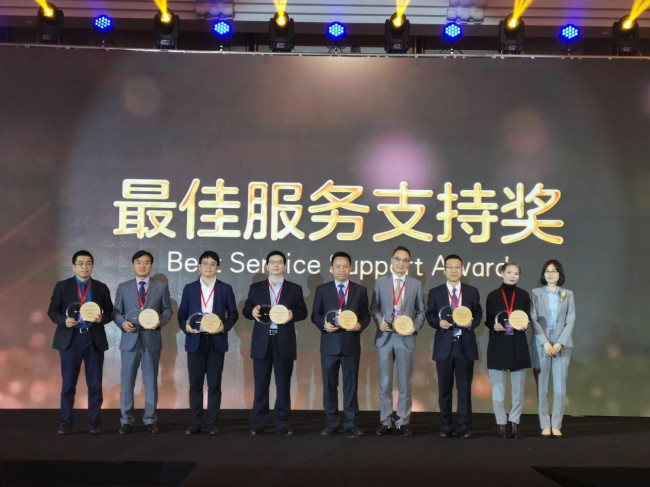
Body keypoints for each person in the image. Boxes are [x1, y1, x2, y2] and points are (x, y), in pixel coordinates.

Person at [47, 250, 114, 435]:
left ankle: (95, 422)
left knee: (95, 384)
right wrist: (64, 321)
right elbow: (52, 311)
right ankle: (65, 422)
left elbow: (110, 312)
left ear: (92, 266)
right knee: (68, 384)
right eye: (81, 263)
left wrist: (102, 318)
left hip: (93, 339)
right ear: (73, 266)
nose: (85, 267)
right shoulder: (62, 286)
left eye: (88, 263)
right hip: (71, 340)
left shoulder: (100, 287)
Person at [242, 250, 308, 436]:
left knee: (283, 385)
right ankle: (258, 424)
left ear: (285, 266)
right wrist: (252, 312)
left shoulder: (294, 289)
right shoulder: (256, 288)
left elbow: (303, 312)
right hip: (261, 342)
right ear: (267, 266)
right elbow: (246, 309)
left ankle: (283, 424)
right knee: (261, 385)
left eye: (280, 262)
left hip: (284, 340)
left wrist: (292, 315)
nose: (276, 265)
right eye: (273, 262)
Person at [178, 251, 238, 435]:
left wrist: (223, 326)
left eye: (213, 264)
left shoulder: (225, 288)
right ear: (199, 266)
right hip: (195, 340)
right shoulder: (189, 288)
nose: (209, 267)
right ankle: (196, 423)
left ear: (217, 267)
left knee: (214, 384)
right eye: (205, 263)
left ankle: (212, 422)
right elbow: (181, 314)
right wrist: (185, 326)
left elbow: (233, 314)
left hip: (216, 341)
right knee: (195, 385)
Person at [112, 250, 173, 434]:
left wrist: (159, 321)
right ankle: (126, 420)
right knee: (127, 382)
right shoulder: (123, 287)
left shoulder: (161, 287)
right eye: (138, 262)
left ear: (151, 265)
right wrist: (123, 323)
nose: (142, 265)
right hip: (129, 340)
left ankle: (150, 419)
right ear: (133, 265)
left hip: (151, 339)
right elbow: (116, 312)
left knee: (151, 381)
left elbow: (167, 311)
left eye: (146, 262)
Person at [311, 251, 371, 437]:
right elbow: (315, 315)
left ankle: (351, 424)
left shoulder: (360, 290)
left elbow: (366, 316)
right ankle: (332, 423)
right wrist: (323, 325)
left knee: (350, 387)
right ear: (331, 268)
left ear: (351, 268)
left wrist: (359, 325)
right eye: (338, 266)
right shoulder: (322, 290)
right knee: (329, 386)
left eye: (345, 266)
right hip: (329, 345)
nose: (342, 269)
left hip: (350, 345)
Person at [370, 246, 425, 437]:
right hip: (385, 337)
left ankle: (402, 422)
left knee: (404, 383)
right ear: (391, 260)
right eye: (398, 259)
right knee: (385, 383)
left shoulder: (416, 284)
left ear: (409, 263)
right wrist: (379, 321)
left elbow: (421, 312)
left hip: (405, 338)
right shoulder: (380, 282)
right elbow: (374, 307)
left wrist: (414, 327)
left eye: (405, 260)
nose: (401, 263)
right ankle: (386, 421)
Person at [425, 254, 482, 439]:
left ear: (462, 270)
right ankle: (445, 425)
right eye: (450, 267)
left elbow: (478, 314)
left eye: (457, 267)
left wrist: (471, 323)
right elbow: (430, 315)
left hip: (465, 345)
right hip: (444, 345)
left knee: (464, 389)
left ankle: (463, 426)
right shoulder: (435, 292)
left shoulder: (472, 292)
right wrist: (438, 323)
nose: (454, 270)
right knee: (444, 389)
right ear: (444, 270)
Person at [485, 261, 531, 438]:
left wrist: (525, 324)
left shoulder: (524, 295)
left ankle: (514, 422)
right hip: (498, 344)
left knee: (518, 389)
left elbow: (527, 317)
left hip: (518, 344)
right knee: (498, 389)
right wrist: (493, 326)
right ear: (502, 273)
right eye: (509, 272)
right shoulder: (493, 296)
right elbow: (489, 320)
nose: (513, 276)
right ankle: (501, 423)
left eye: (516, 273)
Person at [530, 260, 576, 438]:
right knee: (542, 387)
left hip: (562, 346)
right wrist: (545, 342)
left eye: (554, 271)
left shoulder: (568, 294)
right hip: (541, 345)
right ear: (544, 274)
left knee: (560, 387)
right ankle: (544, 424)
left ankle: (556, 424)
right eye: (547, 271)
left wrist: (559, 343)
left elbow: (570, 320)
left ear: (560, 274)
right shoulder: (536, 293)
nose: (550, 274)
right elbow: (533, 319)